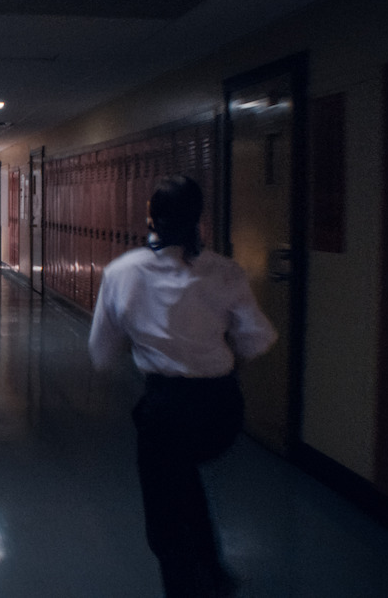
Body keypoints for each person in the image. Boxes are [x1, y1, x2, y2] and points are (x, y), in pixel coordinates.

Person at [88, 175, 277, 598]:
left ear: (150, 217)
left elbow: (101, 352)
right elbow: (258, 339)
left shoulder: (123, 272)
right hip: (222, 411)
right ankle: (212, 566)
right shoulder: (225, 271)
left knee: (165, 520)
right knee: (183, 478)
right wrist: (223, 369)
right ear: (199, 220)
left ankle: (185, 587)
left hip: (167, 409)